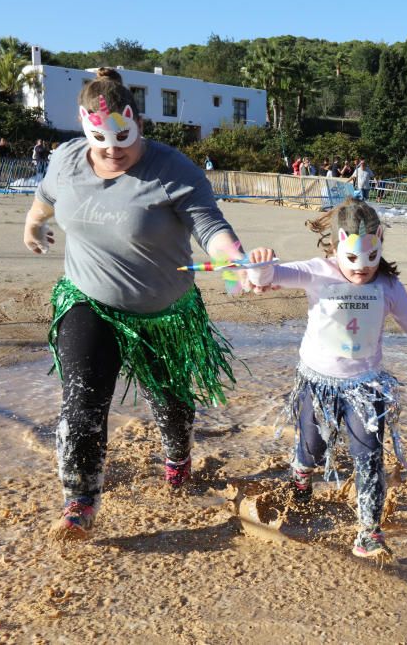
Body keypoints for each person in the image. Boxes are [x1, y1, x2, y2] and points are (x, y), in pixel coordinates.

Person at [21, 68, 251, 541]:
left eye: (122, 138)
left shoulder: (173, 170)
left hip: (162, 313)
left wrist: (238, 265)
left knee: (170, 403)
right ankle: (80, 500)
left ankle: (178, 456)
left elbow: (210, 229)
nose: (111, 149)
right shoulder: (66, 159)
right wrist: (33, 225)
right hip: (89, 300)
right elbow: (44, 198)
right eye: (100, 139)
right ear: (84, 129)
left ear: (138, 123)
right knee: (82, 399)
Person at [245, 199, 407, 560]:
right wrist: (259, 266)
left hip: (365, 386)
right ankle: (301, 477)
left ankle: (369, 530)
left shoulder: (388, 286)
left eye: (371, 257)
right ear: (335, 246)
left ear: (380, 243)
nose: (363, 268)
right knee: (312, 450)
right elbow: (269, 278)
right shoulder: (317, 271)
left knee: (368, 456)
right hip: (317, 383)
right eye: (352, 258)